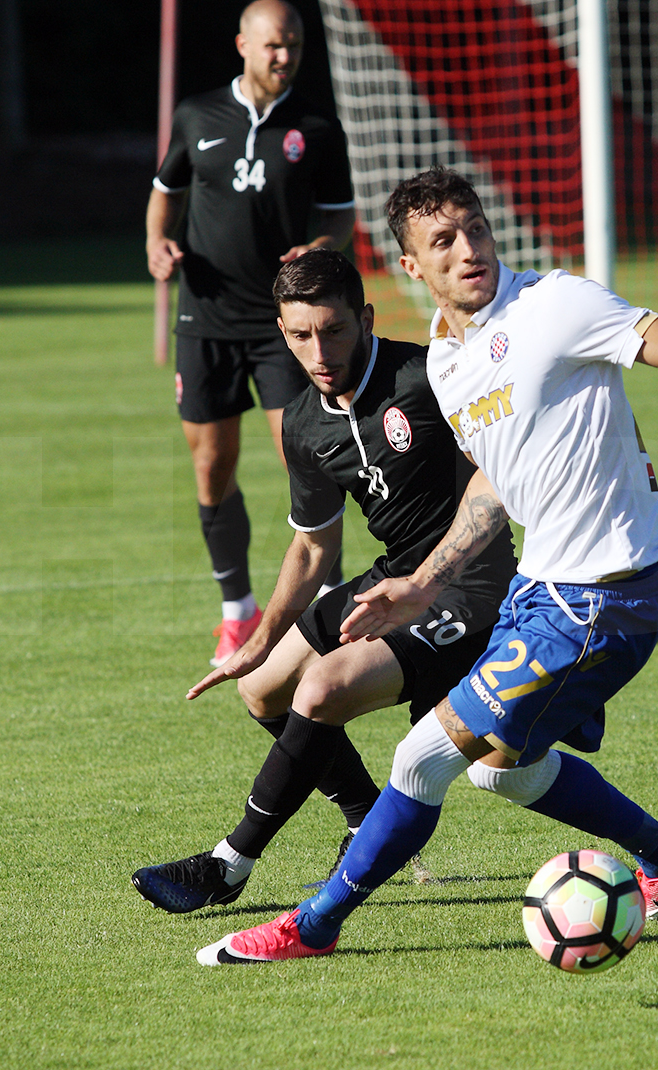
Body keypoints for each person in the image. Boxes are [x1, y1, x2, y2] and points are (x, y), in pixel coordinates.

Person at [195, 167, 658, 964]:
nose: (467, 250)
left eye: (474, 229)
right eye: (441, 241)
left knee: (422, 757)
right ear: (411, 268)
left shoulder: (557, 304)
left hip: (601, 597)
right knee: (499, 771)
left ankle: (312, 926)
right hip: (538, 591)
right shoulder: (448, 363)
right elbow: (493, 482)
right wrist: (419, 585)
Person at [132, 249, 518, 913]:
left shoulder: (426, 375)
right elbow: (313, 546)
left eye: (334, 330)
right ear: (281, 333)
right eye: (300, 335)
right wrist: (257, 638)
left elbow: (513, 455)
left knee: (329, 690)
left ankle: (229, 864)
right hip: (397, 574)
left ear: (365, 318)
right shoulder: (305, 424)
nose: (319, 350)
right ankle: (366, 817)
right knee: (262, 689)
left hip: (473, 586)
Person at [147, 0, 356, 667]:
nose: (284, 56)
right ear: (243, 44)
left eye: (293, 45)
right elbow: (166, 190)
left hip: (280, 327)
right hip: (204, 317)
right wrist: (157, 242)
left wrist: (316, 249)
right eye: (272, 45)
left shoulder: (317, 127)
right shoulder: (197, 115)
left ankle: (322, 616)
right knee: (211, 466)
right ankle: (237, 611)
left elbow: (339, 220)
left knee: (307, 461)